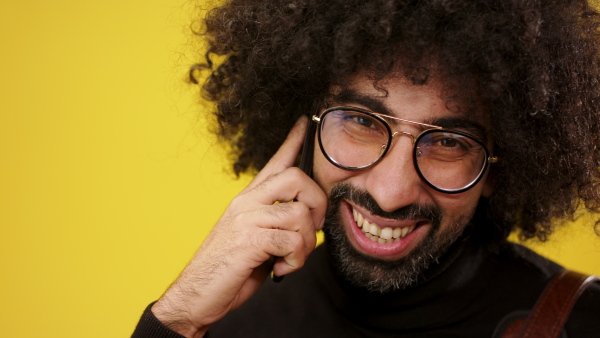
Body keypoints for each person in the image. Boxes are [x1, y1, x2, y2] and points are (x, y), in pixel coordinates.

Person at [132, 0, 600, 337]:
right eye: (361, 121)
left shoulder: (581, 323)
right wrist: (176, 322)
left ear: (500, 167)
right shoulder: (227, 315)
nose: (391, 192)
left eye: (449, 142)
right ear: (305, 122)